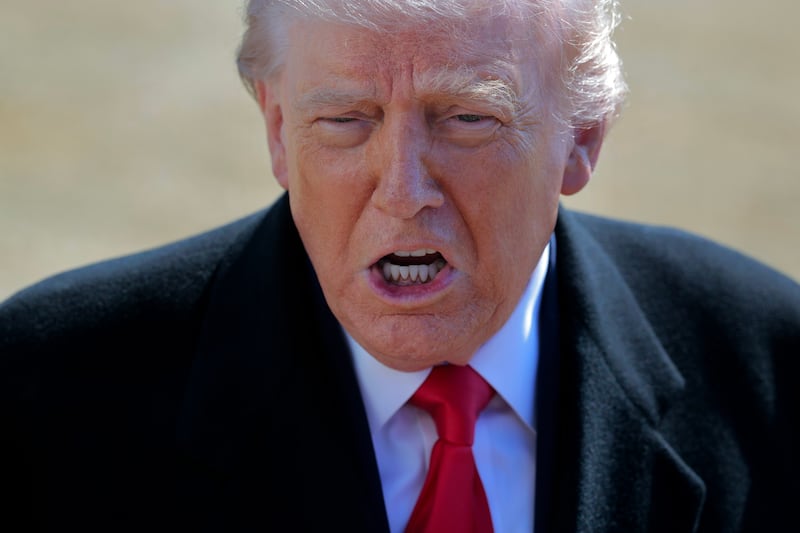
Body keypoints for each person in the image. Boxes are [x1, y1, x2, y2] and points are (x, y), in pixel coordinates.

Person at [1, 0, 798, 531]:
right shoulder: (43, 394)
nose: (404, 192)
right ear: (278, 130)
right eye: (347, 119)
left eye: (466, 119)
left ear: (583, 134)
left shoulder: (771, 370)